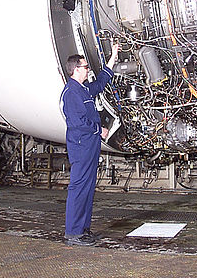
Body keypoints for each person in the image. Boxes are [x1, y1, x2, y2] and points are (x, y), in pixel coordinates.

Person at [60, 43, 119, 246]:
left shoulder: (83, 89)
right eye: (85, 67)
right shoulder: (71, 93)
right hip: (81, 146)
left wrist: (113, 57)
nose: (88, 70)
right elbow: (78, 122)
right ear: (76, 69)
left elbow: (101, 82)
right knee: (79, 188)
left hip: (90, 145)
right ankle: (73, 233)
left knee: (88, 188)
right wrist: (99, 130)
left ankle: (83, 230)